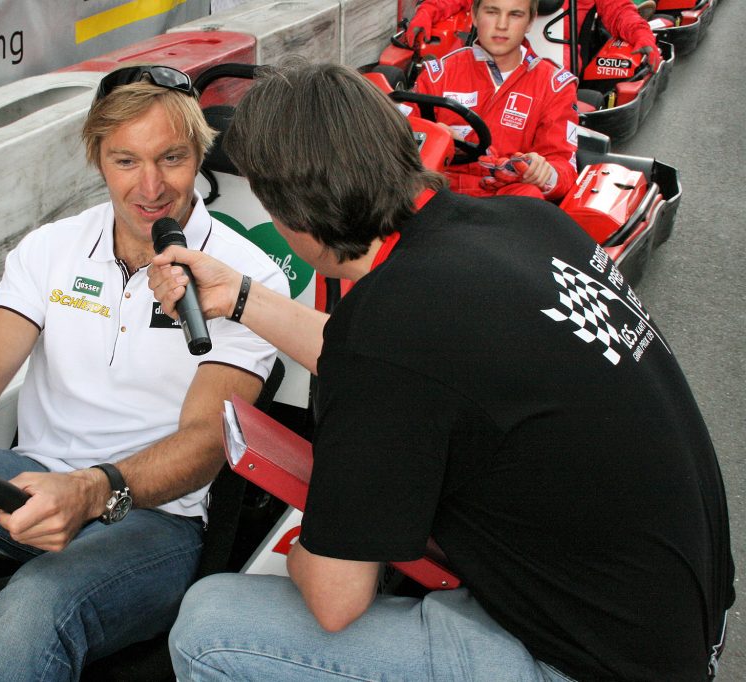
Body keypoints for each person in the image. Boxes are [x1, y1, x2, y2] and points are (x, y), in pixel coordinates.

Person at [151, 60, 734, 681]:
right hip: (677, 623)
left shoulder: (391, 327)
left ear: (291, 214)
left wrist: (301, 556)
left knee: (210, 626)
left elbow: (333, 599)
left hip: (592, 663)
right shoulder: (526, 224)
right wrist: (240, 296)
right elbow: (394, 356)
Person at [0, 64, 288, 681]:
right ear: (97, 158)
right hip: (28, 482)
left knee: (34, 606)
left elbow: (206, 445)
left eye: (171, 158)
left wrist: (91, 489)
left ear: (199, 154)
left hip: (155, 521)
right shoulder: (51, 248)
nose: (150, 186)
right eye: (126, 161)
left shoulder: (249, 276)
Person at [412, 0, 579, 200]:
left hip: (505, 202)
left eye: (515, 15)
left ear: (529, 22)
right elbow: (395, 144)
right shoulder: (438, 75)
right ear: (475, 15)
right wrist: (433, 139)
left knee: (530, 195)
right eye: (492, 12)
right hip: (439, 192)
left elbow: (565, 168)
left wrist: (543, 172)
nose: (501, 25)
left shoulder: (555, 86)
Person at [407, 0, 661, 71]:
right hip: (490, 60)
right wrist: (426, 12)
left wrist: (642, 36)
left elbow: (619, 12)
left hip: (557, 70)